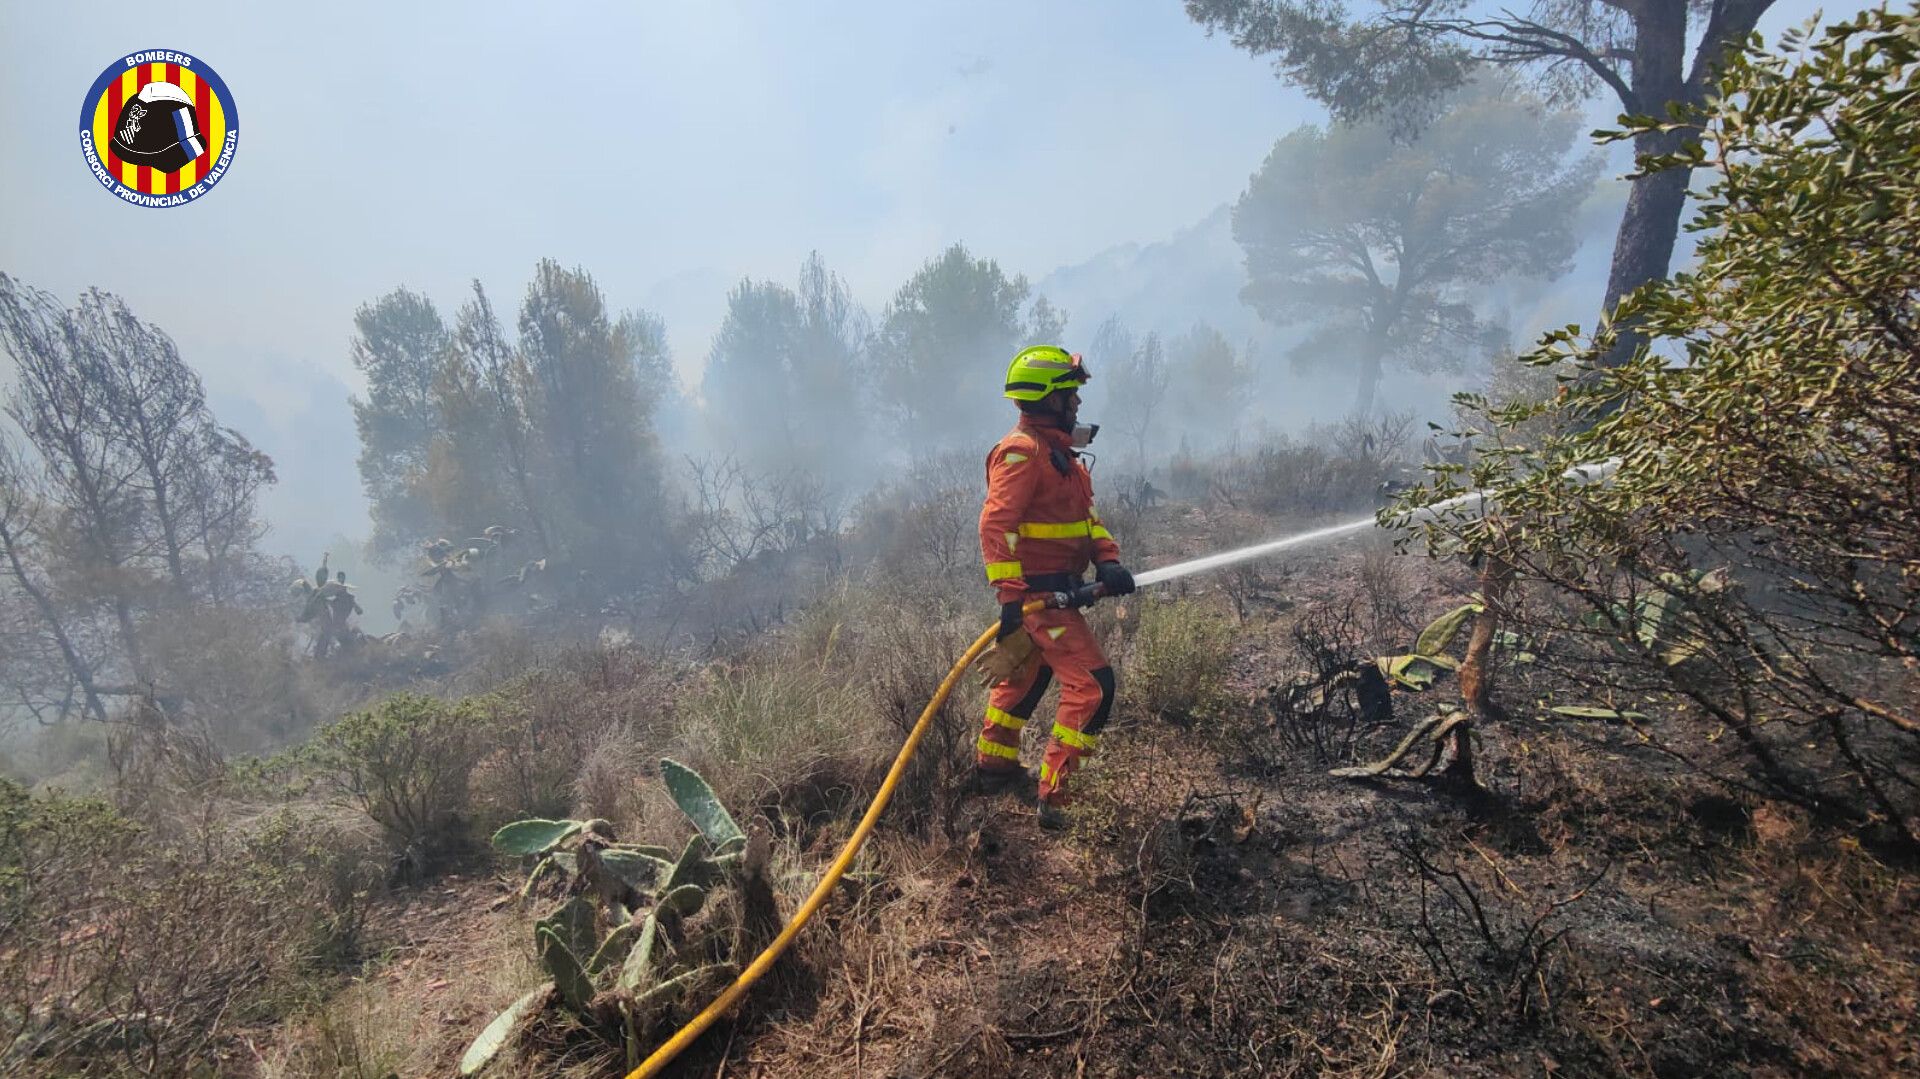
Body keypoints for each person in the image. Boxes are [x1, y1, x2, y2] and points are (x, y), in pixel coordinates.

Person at [976, 345, 1136, 829]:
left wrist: (1107, 562)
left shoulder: (1062, 456)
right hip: (1041, 600)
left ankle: (993, 767)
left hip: (1059, 591)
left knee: (1025, 678)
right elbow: (994, 525)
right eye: (1071, 393)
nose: (1078, 404)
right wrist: (1010, 601)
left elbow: (1087, 520)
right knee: (1093, 688)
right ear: (1048, 399)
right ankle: (1059, 800)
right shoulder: (1023, 452)